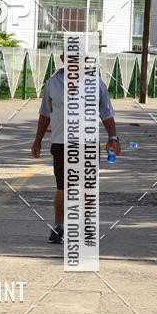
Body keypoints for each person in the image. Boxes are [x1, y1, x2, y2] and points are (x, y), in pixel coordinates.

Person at [31, 54, 121, 243]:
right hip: (61, 142)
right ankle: (59, 227)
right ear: (63, 58)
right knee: (64, 187)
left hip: (87, 142)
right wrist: (37, 140)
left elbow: (106, 112)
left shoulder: (96, 82)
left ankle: (86, 223)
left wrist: (113, 137)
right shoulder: (53, 82)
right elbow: (44, 114)